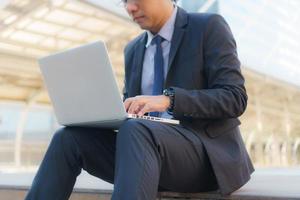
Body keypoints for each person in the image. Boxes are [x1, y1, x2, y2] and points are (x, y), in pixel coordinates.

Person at [25, 0, 254, 199]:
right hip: (143, 155)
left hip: (203, 157)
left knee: (136, 130)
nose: (130, 7)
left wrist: (168, 100)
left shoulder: (208, 26)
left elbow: (234, 97)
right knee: (68, 137)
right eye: (124, 1)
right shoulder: (133, 50)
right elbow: (132, 113)